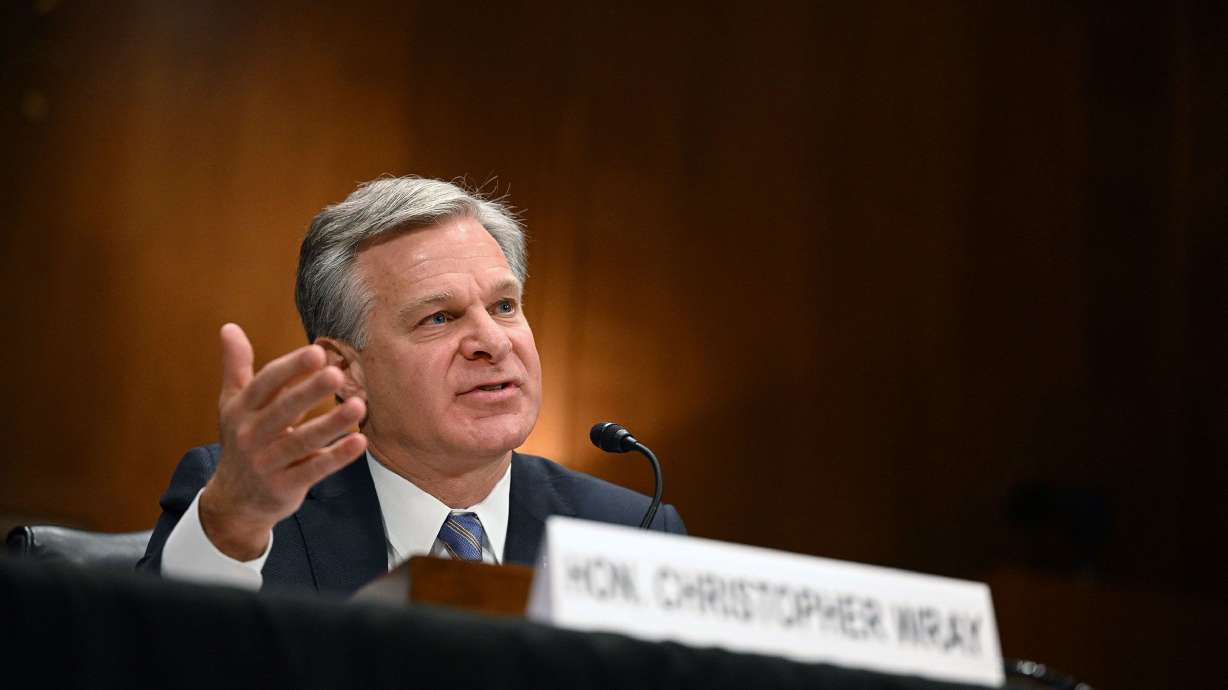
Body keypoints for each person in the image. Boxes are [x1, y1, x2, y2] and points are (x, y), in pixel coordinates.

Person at [138, 177, 686, 594]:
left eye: (504, 306)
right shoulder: (249, 509)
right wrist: (230, 527)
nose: (492, 342)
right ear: (346, 370)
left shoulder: (628, 531)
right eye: (439, 318)